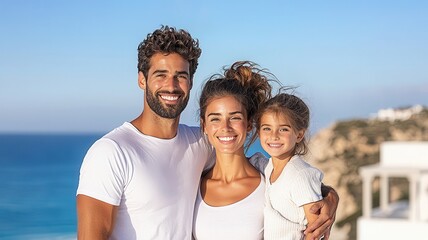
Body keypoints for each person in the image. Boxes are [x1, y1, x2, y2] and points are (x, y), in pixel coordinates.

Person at [76, 25, 338, 240]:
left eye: (181, 75)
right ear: (141, 79)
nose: (171, 85)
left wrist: (326, 195)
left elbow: (280, 175)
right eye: (161, 75)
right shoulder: (111, 152)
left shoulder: (198, 143)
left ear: (190, 82)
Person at [193, 61, 272, 239]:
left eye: (235, 117)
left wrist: (328, 195)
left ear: (249, 123)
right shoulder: (193, 186)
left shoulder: (270, 185)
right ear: (204, 125)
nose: (225, 127)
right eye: (215, 119)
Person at [255, 91, 324, 240]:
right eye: (267, 128)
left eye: (284, 129)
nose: (274, 135)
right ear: (259, 132)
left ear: (299, 135)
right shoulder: (269, 167)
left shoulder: (301, 175)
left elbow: (315, 230)